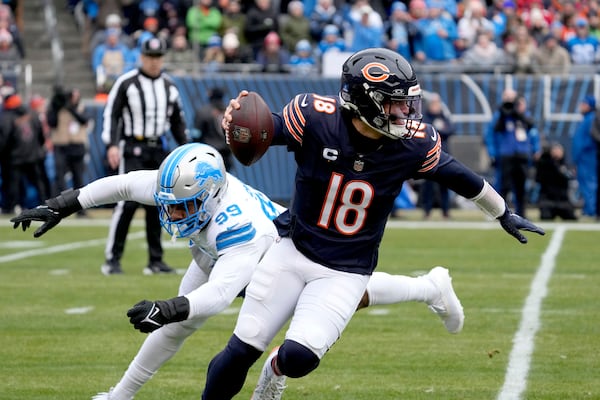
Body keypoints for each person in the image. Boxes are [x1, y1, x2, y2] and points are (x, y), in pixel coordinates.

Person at [196, 48, 542, 400]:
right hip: (292, 249)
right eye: (396, 103)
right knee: (240, 350)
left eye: (408, 102)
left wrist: (502, 212)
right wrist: (236, 121)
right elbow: (268, 126)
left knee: (298, 357)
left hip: (346, 270)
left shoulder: (412, 144)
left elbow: (460, 177)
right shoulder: (317, 118)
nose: (406, 112)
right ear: (367, 101)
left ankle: (276, 371)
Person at [11, 143, 464, 400]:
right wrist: (62, 204)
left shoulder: (237, 229)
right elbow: (125, 184)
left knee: (346, 298)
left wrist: (168, 305)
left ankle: (427, 287)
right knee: (176, 329)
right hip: (221, 258)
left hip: (272, 258)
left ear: (209, 197)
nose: (174, 212)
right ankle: (120, 395)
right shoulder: (183, 184)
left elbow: (221, 293)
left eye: (185, 206)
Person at [101, 36, 188, 275]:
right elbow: (112, 114)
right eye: (150, 57)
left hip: (158, 149)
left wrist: (187, 148)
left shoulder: (169, 86)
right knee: (126, 203)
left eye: (158, 57)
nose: (154, 62)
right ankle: (112, 259)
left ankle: (155, 260)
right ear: (141, 57)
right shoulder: (126, 82)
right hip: (132, 147)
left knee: (158, 205)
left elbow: (177, 121)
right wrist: (111, 144)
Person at [485, 88, 540, 217]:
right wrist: (492, 153)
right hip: (505, 154)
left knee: (521, 186)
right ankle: (500, 213)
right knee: (503, 185)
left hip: (521, 154)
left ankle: (521, 213)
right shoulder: (500, 115)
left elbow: (532, 129)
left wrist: (518, 113)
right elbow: (492, 133)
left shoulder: (524, 115)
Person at [47, 86, 91, 205]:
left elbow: (84, 119)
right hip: (61, 146)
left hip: (77, 146)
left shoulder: (81, 108)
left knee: (79, 178)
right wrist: (56, 107)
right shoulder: (57, 108)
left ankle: (79, 205)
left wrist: (70, 108)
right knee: (59, 176)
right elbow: (51, 123)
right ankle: (60, 205)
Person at [420, 92, 455, 219]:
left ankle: (445, 211)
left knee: (444, 185)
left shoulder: (444, 117)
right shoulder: (425, 117)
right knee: (428, 186)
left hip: (443, 155)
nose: (436, 106)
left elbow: (450, 130)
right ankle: (427, 211)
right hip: (429, 156)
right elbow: (425, 131)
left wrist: (438, 130)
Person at [534, 142, 577, 221]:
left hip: (563, 201)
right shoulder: (544, 164)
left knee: (571, 217)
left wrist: (559, 168)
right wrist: (545, 157)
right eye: (555, 150)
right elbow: (538, 178)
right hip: (547, 200)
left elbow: (569, 176)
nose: (557, 153)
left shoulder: (565, 165)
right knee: (546, 217)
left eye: (559, 150)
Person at [192, 87, 233, 170]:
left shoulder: (203, 112)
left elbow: (196, 134)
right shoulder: (230, 112)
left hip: (207, 155)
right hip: (226, 155)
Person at [572, 95, 598, 218]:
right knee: (584, 183)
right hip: (582, 157)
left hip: (588, 156)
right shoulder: (586, 119)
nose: (581, 106)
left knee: (589, 183)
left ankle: (591, 210)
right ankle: (588, 208)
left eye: (584, 103)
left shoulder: (592, 118)